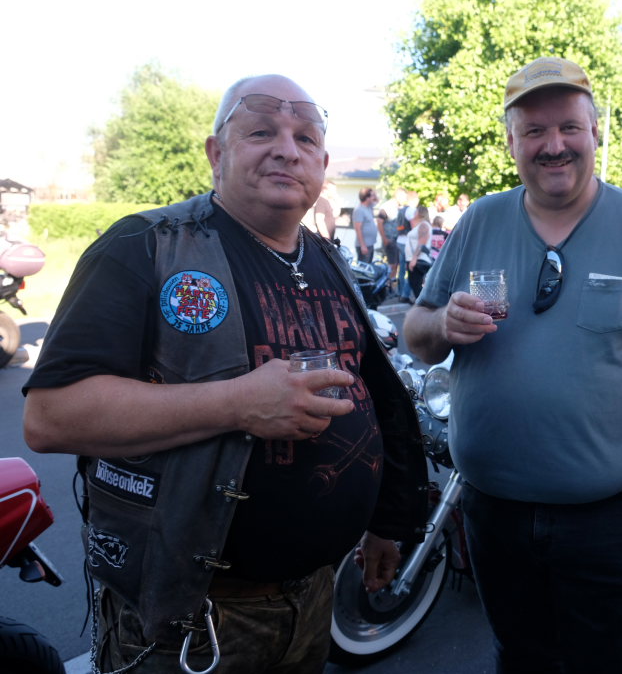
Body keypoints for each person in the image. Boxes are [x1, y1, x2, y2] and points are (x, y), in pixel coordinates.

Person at [22, 74, 427, 674]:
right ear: (217, 153)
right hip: (193, 618)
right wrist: (237, 403)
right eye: (261, 131)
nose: (287, 149)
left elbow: (374, 393)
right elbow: (51, 417)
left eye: (306, 138)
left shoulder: (325, 257)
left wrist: (386, 522)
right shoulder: (145, 245)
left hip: (314, 597)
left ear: (322, 165)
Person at [403, 56, 622, 673]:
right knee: (518, 658)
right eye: (534, 131)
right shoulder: (480, 221)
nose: (554, 145)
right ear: (511, 142)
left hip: (610, 521)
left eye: (569, 127)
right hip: (493, 511)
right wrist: (442, 325)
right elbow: (418, 334)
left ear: (595, 131)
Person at [405, 204, 433, 297]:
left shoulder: (423, 225)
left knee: (416, 285)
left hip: (419, 259)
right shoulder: (421, 225)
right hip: (415, 259)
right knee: (414, 284)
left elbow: (421, 243)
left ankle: (422, 304)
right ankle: (421, 303)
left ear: (420, 213)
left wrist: (414, 259)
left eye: (416, 211)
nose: (414, 213)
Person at [354, 186, 379, 262]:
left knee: (369, 266)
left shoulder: (369, 207)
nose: (373, 197)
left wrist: (373, 193)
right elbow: (358, 228)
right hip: (364, 246)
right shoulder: (359, 210)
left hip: (370, 244)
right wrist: (363, 245)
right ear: (367, 198)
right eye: (372, 196)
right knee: (364, 268)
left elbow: (377, 200)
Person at [377, 207, 400, 287]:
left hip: (397, 241)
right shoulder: (386, 208)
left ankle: (391, 283)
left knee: (396, 264)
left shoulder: (399, 208)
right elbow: (379, 221)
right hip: (389, 240)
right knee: (392, 264)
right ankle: (386, 284)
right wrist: (384, 239)